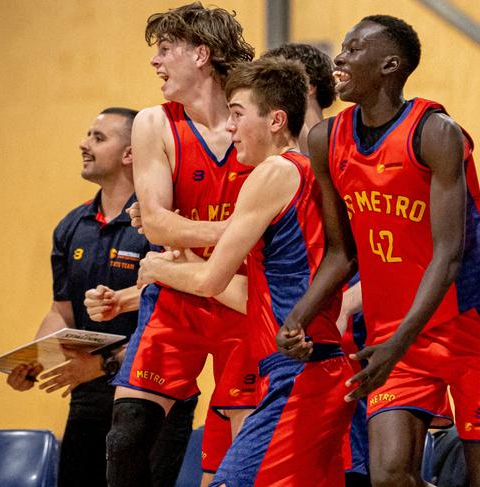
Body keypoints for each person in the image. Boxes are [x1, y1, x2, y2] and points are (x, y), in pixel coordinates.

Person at [277, 14, 480, 487]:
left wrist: (397, 344)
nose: (339, 58)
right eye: (341, 46)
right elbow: (341, 254)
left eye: (354, 48)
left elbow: (448, 256)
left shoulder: (436, 132)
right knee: (387, 476)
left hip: (467, 331)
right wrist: (298, 316)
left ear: (391, 65)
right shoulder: (327, 140)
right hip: (394, 337)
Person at [136, 56, 355, 487]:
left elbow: (209, 282)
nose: (230, 127)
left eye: (238, 115)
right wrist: (190, 264)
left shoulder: (273, 171)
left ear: (276, 120)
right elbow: (251, 296)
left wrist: (155, 266)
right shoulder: (308, 172)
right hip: (317, 369)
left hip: (300, 375)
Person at [104, 4, 257, 487]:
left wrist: (186, 232)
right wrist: (239, 230)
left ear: (201, 55)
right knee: (126, 440)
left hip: (244, 300)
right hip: (179, 297)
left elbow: (170, 225)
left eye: (165, 50)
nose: (155, 62)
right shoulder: (154, 122)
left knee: (247, 451)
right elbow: (156, 224)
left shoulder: (251, 119)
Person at [5, 108, 197, 487]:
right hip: (88, 395)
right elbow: (63, 311)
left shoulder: (159, 223)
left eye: (98, 137)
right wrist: (36, 357)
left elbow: (177, 313)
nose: (83, 143)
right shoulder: (71, 225)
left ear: (129, 153)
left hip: (154, 390)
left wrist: (106, 364)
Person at [262, 42, 370, 486]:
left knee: (369, 469)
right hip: (300, 338)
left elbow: (381, 246)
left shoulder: (349, 146)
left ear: (301, 89)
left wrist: (344, 304)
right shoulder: (276, 166)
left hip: (357, 335)